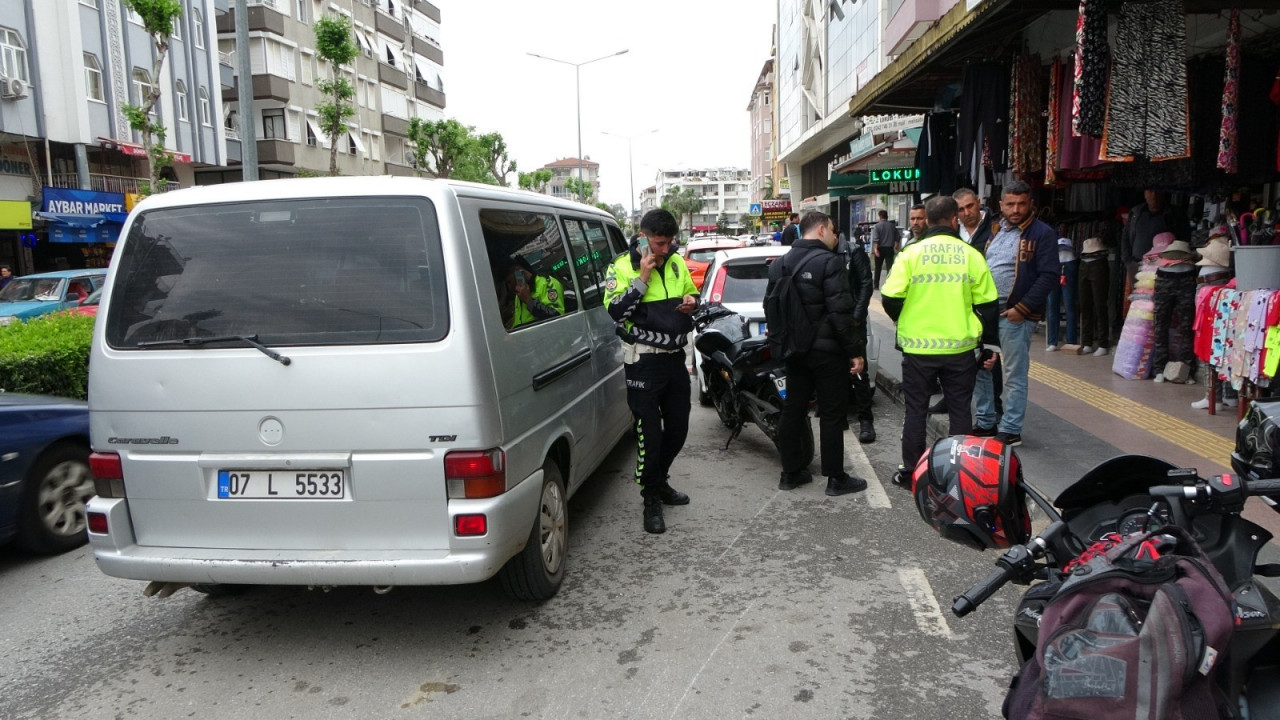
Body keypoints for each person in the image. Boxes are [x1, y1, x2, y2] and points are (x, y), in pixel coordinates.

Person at [881, 195, 999, 487]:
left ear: (928, 220)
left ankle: (912, 473)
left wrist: (905, 318)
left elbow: (890, 297)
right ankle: (960, 476)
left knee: (916, 411)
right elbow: (989, 305)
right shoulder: (972, 255)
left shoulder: (911, 253)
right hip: (960, 348)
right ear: (954, 219)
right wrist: (989, 345)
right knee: (960, 412)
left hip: (918, 348)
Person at [604, 209, 699, 535]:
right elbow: (615, 312)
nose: (665, 248)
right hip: (643, 362)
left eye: (670, 241)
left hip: (674, 360)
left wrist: (691, 301)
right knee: (650, 435)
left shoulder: (674, 260)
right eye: (659, 243)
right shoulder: (620, 266)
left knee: (679, 428)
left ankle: (659, 481)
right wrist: (642, 278)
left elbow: (692, 294)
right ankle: (650, 500)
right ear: (643, 237)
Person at [766, 211, 868, 496]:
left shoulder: (780, 264)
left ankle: (790, 473)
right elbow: (841, 313)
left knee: (793, 410)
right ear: (821, 229)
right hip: (827, 353)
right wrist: (855, 351)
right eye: (834, 231)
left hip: (794, 352)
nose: (836, 237)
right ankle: (836, 479)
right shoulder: (830, 262)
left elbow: (771, 308)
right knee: (832, 414)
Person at [972, 180, 1060, 447]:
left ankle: (1010, 428)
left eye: (1021, 203)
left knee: (1013, 373)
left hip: (1014, 315)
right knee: (981, 367)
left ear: (1031, 203)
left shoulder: (1041, 233)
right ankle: (986, 421)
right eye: (1010, 204)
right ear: (1001, 205)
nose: (1016, 209)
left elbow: (1049, 276)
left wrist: (1021, 309)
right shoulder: (995, 230)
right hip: (987, 312)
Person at [836, 227, 876, 443]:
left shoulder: (853, 251)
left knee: (859, 372)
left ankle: (866, 420)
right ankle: (838, 415)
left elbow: (865, 285)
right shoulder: (823, 252)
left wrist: (857, 317)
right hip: (832, 322)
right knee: (835, 370)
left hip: (853, 321)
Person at [1150, 239, 1199, 383]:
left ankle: (1186, 370)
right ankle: (1159, 368)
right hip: (1166, 279)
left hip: (1185, 280)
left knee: (1186, 327)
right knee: (1161, 325)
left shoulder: (1189, 267)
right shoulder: (1164, 265)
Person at [1077, 237, 1111, 356]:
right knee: (1085, 305)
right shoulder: (1083, 259)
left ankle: (1103, 343)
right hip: (1083, 264)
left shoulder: (1101, 261)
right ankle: (1087, 342)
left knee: (1100, 305)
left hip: (1098, 265)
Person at [1044, 236, 1079, 352]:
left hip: (1068, 267)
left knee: (1068, 306)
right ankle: (1053, 341)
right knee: (1053, 307)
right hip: (1055, 267)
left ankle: (1070, 340)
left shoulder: (1071, 258)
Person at [506, 262, 564, 329]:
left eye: (509, 282)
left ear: (519, 274)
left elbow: (557, 317)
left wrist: (529, 301)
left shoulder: (547, 283)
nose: (509, 287)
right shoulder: (519, 295)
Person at [870, 209, 900, 288]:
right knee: (890, 268)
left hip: (880, 249)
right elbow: (898, 237)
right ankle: (890, 284)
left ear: (880, 216)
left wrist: (875, 249)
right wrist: (896, 246)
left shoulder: (877, 226)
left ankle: (876, 285)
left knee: (878, 268)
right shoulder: (892, 226)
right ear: (887, 216)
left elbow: (876, 239)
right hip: (890, 249)